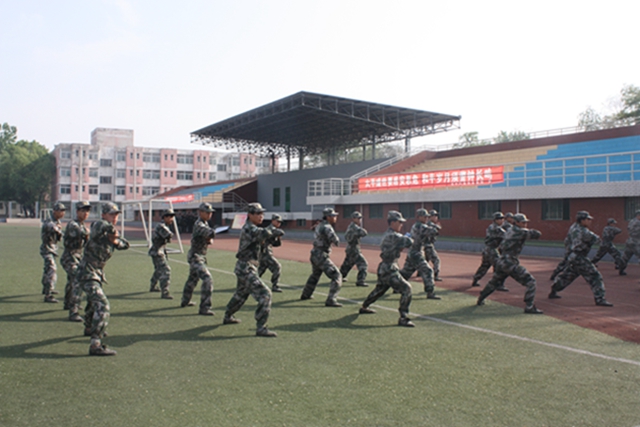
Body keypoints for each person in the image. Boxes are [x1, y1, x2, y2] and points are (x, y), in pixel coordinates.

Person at [76, 202, 129, 356]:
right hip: (87, 272)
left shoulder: (110, 235)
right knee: (102, 304)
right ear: (104, 215)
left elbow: (125, 244)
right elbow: (100, 226)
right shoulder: (99, 227)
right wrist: (112, 232)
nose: (115, 217)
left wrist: (114, 240)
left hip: (97, 273)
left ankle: (89, 327)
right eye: (111, 214)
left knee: (92, 303)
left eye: (116, 215)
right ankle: (96, 345)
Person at [223, 203, 282, 337]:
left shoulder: (255, 228)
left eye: (262, 214)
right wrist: (273, 228)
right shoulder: (249, 228)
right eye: (258, 214)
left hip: (248, 267)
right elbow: (263, 233)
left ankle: (228, 316)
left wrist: (275, 235)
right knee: (265, 294)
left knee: (240, 295)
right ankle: (261, 327)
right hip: (246, 267)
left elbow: (269, 240)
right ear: (250, 215)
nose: (261, 216)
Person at [477, 213, 543, 314]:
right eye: (523, 222)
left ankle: (481, 298)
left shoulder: (509, 230)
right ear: (516, 222)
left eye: (525, 222)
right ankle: (529, 306)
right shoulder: (519, 231)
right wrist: (526, 230)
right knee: (531, 281)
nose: (525, 224)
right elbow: (537, 234)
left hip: (501, 261)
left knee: (494, 282)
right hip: (510, 263)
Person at [359, 210, 415, 327]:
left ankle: (364, 306)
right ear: (392, 222)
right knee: (406, 289)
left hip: (385, 267)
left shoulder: (388, 234)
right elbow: (409, 242)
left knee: (379, 290)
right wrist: (409, 236)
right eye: (399, 222)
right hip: (389, 268)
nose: (401, 225)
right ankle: (403, 318)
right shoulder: (393, 235)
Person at [549, 211, 613, 306]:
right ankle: (600, 298)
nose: (590, 221)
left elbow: (567, 241)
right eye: (587, 219)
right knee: (595, 276)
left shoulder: (573, 227)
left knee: (567, 276)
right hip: (580, 257)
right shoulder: (583, 231)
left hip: (572, 257)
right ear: (582, 220)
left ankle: (554, 290)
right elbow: (597, 239)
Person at [300, 207, 343, 307]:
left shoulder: (319, 225)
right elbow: (335, 241)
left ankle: (306, 294)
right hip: (321, 255)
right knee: (337, 276)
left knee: (315, 275)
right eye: (333, 216)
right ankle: (331, 299)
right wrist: (336, 239)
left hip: (314, 253)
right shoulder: (327, 227)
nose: (335, 217)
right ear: (328, 217)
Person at [180, 203, 216, 315]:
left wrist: (209, 239)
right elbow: (210, 233)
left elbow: (208, 238)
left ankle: (185, 300)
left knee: (192, 279)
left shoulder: (205, 223)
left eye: (211, 213)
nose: (209, 215)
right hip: (195, 257)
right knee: (207, 279)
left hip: (199, 256)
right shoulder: (199, 224)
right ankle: (205, 307)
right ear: (200, 212)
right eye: (207, 212)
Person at [61, 201, 91, 321]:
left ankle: (68, 302)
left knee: (71, 280)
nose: (85, 213)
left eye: (87, 211)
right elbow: (82, 233)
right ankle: (73, 311)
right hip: (69, 257)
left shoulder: (82, 224)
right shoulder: (73, 224)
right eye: (83, 211)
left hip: (77, 256)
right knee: (78, 280)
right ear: (77, 211)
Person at [400, 208, 439, 299]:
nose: (426, 218)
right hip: (416, 253)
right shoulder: (419, 226)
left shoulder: (419, 225)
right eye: (424, 217)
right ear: (418, 217)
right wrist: (434, 225)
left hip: (413, 252)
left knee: (406, 273)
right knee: (428, 271)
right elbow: (433, 231)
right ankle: (430, 292)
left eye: (427, 217)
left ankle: (395, 285)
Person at [471, 211, 506, 288]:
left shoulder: (491, 226)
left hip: (487, 249)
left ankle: (476, 279)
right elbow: (506, 235)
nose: (502, 220)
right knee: (499, 266)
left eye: (502, 218)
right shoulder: (496, 228)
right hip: (492, 250)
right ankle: (498, 284)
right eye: (499, 219)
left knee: (484, 266)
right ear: (495, 220)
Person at [40, 202, 66, 303]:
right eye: (61, 211)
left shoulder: (57, 221)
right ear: (55, 211)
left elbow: (58, 237)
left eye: (64, 211)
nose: (63, 213)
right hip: (47, 249)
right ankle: (48, 295)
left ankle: (46, 287)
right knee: (52, 269)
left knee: (47, 269)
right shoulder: (50, 222)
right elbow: (57, 231)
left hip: (53, 248)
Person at [148, 209, 176, 299]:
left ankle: (153, 286)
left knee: (158, 270)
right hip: (157, 252)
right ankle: (165, 292)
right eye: (170, 217)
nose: (172, 219)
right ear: (165, 217)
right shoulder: (161, 226)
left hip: (159, 251)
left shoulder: (164, 226)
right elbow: (169, 235)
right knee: (166, 270)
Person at [339, 211, 369, 287]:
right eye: (358, 218)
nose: (359, 220)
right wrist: (357, 233)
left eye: (360, 218)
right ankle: (360, 281)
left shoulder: (350, 226)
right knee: (363, 264)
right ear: (353, 218)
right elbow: (364, 232)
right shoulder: (354, 227)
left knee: (347, 264)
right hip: (354, 249)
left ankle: (339, 277)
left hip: (350, 248)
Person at [258, 213, 285, 293]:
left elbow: (276, 244)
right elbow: (281, 232)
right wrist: (277, 234)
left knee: (260, 270)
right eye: (277, 221)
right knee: (277, 267)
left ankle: (250, 284)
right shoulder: (270, 229)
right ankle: (275, 285)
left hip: (264, 253)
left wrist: (278, 238)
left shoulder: (273, 230)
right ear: (273, 221)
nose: (279, 223)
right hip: (265, 253)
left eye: (280, 222)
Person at [619, 209, 640, 276]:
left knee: (625, 257)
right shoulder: (638, 222)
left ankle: (621, 269)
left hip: (630, 241)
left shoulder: (632, 221)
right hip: (636, 242)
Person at [424, 209, 442, 281]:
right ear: (430, 217)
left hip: (425, 245)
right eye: (434, 216)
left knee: (425, 260)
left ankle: (419, 273)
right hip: (428, 245)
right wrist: (437, 226)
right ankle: (436, 275)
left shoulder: (428, 224)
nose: (436, 217)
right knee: (436, 260)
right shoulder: (430, 224)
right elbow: (438, 228)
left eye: (436, 216)